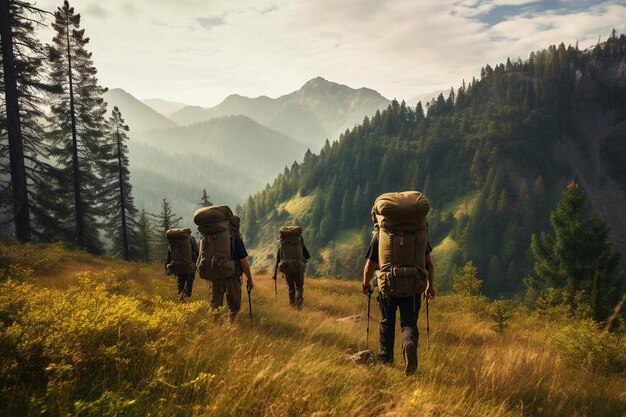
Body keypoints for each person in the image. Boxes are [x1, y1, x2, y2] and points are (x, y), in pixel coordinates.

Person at [361, 230, 435, 375]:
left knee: (387, 321)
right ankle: (409, 343)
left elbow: (370, 265)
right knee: (409, 323)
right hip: (413, 287)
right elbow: (429, 264)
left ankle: (385, 360)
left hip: (388, 286)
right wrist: (430, 286)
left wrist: (365, 284)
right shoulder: (418, 232)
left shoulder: (381, 234)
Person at [209, 220, 254, 321]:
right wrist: (250, 279)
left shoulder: (213, 238)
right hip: (232, 277)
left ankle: (216, 328)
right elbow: (242, 261)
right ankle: (232, 326)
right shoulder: (235, 238)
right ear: (236, 225)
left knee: (215, 305)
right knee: (234, 306)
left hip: (216, 276)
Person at [273, 228, 311, 309]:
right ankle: (299, 305)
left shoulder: (282, 246)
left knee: (291, 288)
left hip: (287, 269)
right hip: (298, 268)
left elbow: (278, 260)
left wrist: (274, 274)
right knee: (299, 287)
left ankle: (292, 305)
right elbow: (307, 256)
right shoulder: (299, 245)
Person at [165, 230, 199, 302]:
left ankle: (181, 296)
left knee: (181, 282)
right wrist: (196, 264)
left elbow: (169, 254)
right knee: (190, 281)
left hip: (177, 266)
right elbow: (195, 252)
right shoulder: (190, 239)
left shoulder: (173, 241)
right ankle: (186, 298)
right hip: (189, 266)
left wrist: (167, 266)